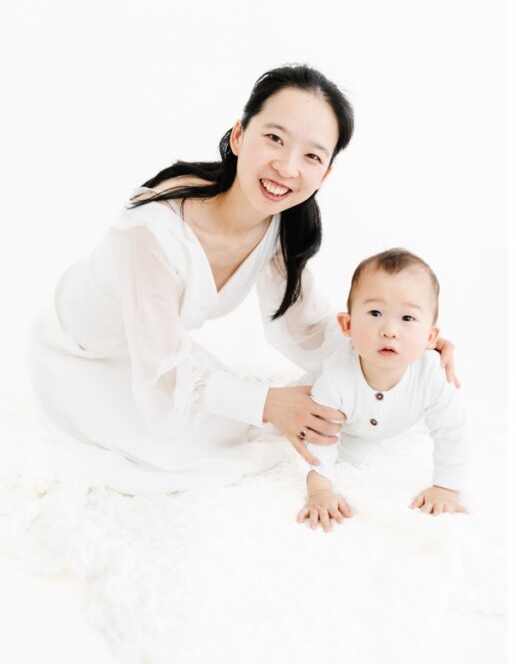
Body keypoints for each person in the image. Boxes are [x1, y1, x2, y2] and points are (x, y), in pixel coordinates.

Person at [28, 65, 456, 494]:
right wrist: (269, 404)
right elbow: (161, 385)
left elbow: (303, 328)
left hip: (156, 347)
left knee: (237, 430)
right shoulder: (151, 231)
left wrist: (400, 340)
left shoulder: (279, 226)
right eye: (275, 138)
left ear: (325, 174)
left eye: (311, 155)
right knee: (173, 456)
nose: (287, 168)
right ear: (238, 136)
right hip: (81, 353)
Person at [296, 249, 468, 532]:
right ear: (347, 325)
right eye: (375, 313)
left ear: (430, 337)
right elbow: (319, 437)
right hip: (344, 425)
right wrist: (320, 492)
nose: (389, 330)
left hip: (381, 425)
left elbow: (453, 431)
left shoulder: (432, 375)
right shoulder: (335, 374)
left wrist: (446, 488)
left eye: (408, 319)